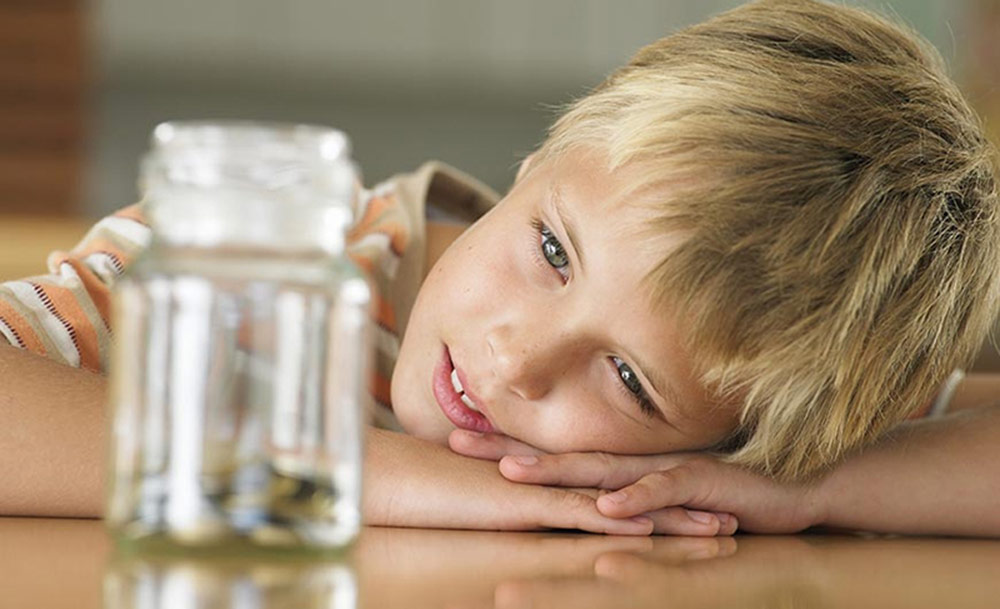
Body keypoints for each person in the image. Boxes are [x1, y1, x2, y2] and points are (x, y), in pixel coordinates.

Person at [2, 0, 999, 537]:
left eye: (628, 380)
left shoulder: (775, 390)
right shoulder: (253, 266)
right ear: (532, 168)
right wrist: (348, 474)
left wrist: (818, 488)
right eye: (552, 250)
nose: (518, 361)